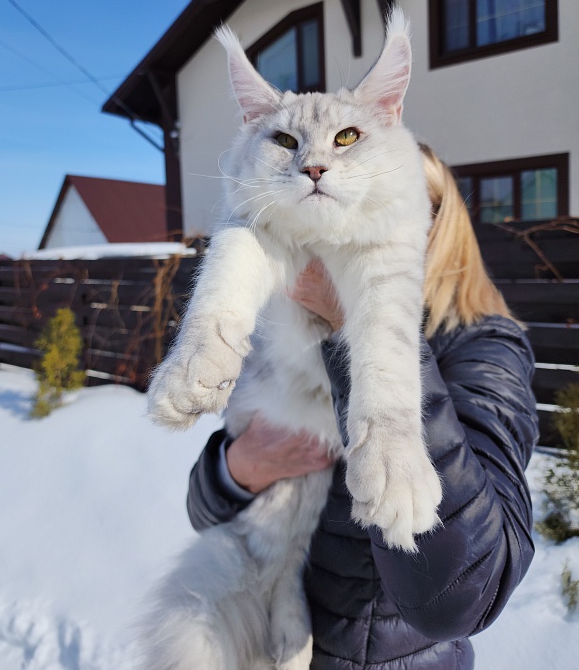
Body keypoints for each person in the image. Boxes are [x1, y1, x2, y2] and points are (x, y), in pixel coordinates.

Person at [186, 144, 539, 670]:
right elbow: (203, 510)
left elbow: (466, 594)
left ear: (439, 222)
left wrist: (357, 326)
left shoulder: (483, 346)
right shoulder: (287, 331)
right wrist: (240, 467)